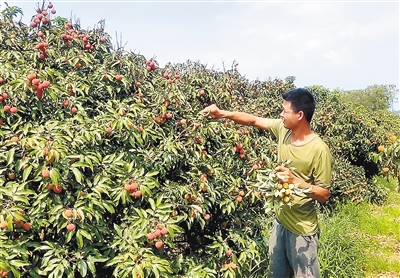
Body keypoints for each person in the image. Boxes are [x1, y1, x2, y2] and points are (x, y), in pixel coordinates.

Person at [201, 88, 332, 278]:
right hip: (280, 223)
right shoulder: (283, 130)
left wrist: (295, 181)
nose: (281, 114)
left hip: (303, 230)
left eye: (285, 111)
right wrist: (222, 114)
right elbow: (253, 120)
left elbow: (324, 194)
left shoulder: (319, 149)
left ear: (300, 115)